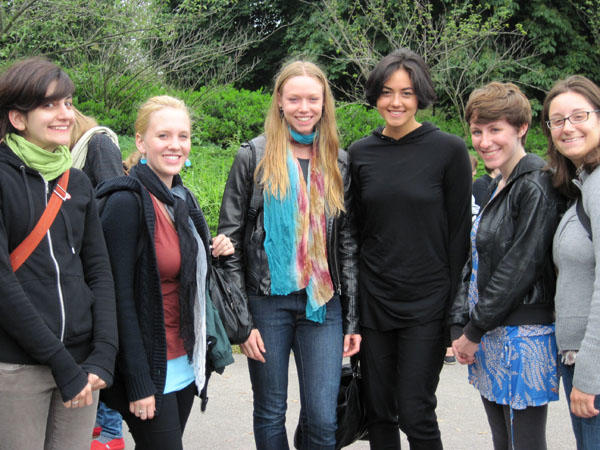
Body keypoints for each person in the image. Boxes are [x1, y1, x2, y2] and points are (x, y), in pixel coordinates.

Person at [218, 60, 361, 449]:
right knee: (270, 411)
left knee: (323, 418)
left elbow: (347, 245)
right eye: (294, 98)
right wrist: (242, 323)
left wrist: (352, 319)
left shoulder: (338, 160)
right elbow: (229, 241)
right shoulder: (253, 156)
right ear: (279, 101)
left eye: (313, 99)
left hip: (323, 304)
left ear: (324, 102)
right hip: (266, 303)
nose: (304, 107)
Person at [348, 48, 471, 450]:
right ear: (375, 96)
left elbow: (460, 237)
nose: (395, 102)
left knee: (416, 410)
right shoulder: (360, 153)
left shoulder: (449, 150)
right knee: (379, 411)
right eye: (386, 92)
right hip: (375, 301)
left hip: (428, 303)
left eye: (406, 92)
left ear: (421, 95)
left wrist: (455, 315)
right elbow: (355, 232)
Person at [96, 95, 234, 449]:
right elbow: (117, 299)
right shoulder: (125, 203)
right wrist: (138, 381)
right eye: (163, 136)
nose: (175, 145)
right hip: (149, 366)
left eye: (183, 136)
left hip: (184, 357)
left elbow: (182, 268)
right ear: (140, 142)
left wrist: (212, 251)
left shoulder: (182, 198)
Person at [0, 57, 117, 449]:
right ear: (18, 118)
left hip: (81, 363)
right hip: (15, 366)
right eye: (49, 105)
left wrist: (104, 351)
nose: (66, 114)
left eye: (68, 103)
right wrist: (59, 360)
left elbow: (98, 270)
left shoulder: (77, 181)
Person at [449, 82, 563, 450]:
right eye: (477, 131)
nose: (484, 141)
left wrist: (473, 330)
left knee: (523, 443)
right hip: (491, 332)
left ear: (522, 128)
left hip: (522, 336)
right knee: (503, 440)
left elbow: (519, 268)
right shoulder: (498, 183)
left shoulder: (536, 184)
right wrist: (464, 323)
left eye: (495, 129)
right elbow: (476, 259)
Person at [543, 75, 600, 450]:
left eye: (579, 116)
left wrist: (590, 376)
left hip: (591, 365)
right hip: (578, 358)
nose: (568, 127)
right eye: (558, 120)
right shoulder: (585, 184)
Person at [69, 110, 126, 450]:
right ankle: (99, 424)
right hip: (80, 263)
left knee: (104, 341)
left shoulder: (98, 144)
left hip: (101, 259)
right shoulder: (69, 153)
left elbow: (114, 197)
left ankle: (110, 430)